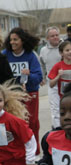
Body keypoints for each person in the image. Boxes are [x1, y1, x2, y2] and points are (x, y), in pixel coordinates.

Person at [3, 27, 43, 155]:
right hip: (11, 95)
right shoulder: (5, 55)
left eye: (16, 39)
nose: (12, 42)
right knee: (10, 124)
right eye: (11, 40)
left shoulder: (31, 55)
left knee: (32, 123)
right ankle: (13, 151)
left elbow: (39, 77)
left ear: (22, 40)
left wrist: (29, 75)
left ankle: (34, 152)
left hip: (29, 94)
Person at [39, 26, 62, 129]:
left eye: (57, 35)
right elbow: (41, 65)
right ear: (47, 38)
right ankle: (57, 129)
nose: (55, 37)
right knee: (55, 108)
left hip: (66, 82)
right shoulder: (43, 51)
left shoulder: (65, 47)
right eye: (52, 36)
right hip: (52, 84)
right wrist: (42, 77)